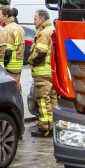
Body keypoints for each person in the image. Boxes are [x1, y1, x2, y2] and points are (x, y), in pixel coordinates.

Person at [29, 8, 57, 137]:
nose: (33, 21)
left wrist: (30, 60)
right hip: (51, 73)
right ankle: (54, 125)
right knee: (52, 100)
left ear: (42, 19)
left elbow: (40, 53)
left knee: (43, 101)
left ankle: (45, 127)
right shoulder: (52, 30)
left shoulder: (43, 33)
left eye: (35, 19)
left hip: (42, 74)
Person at [0, 3, 26, 95]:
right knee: (17, 88)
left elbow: (8, 51)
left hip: (10, 66)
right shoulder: (19, 27)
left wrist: (2, 66)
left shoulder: (7, 29)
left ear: (5, 16)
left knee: (11, 92)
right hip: (18, 64)